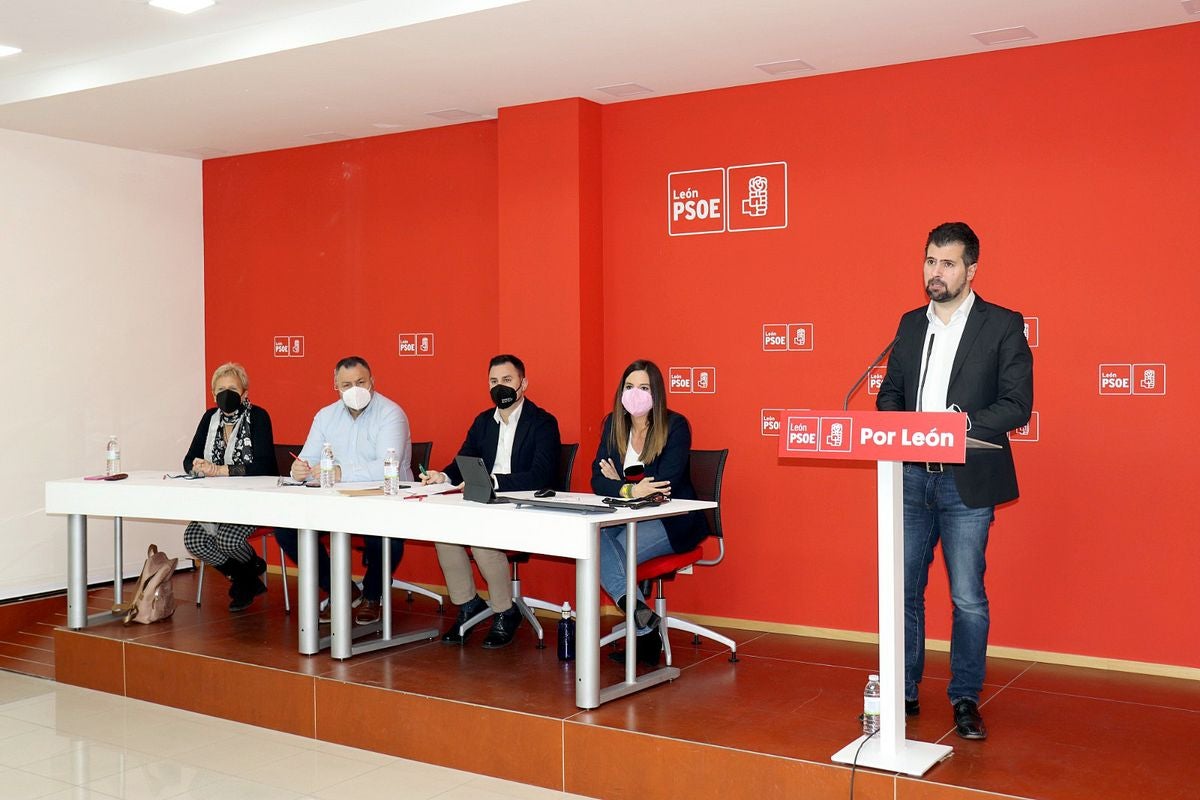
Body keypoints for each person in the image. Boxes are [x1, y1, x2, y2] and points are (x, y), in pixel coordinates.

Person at [876, 222, 1033, 740]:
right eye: (929, 261)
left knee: (967, 595)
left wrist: (956, 425)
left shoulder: (1003, 325)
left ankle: (965, 697)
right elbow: (890, 395)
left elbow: (1016, 405)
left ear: (971, 270)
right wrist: (902, 428)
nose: (935, 272)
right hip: (910, 480)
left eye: (946, 263)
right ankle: (903, 690)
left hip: (966, 481)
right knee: (903, 590)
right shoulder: (909, 325)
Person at [420, 354, 561, 649]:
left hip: (523, 506)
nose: (501, 387)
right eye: (494, 381)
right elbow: (463, 464)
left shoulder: (543, 422)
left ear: (523, 383)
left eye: (507, 380)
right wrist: (441, 478)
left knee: (483, 541)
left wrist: (496, 482)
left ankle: (505, 611)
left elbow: (541, 475)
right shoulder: (483, 422)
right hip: (485, 504)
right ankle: (469, 604)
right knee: (443, 534)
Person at [275, 356, 412, 625]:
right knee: (287, 529)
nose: (355, 389)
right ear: (335, 386)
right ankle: (340, 589)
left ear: (372, 382)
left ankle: (373, 595)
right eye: (346, 384)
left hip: (383, 499)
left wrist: (341, 472)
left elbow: (388, 465)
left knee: (385, 535)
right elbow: (308, 458)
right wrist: (298, 470)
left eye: (361, 382)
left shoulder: (391, 413)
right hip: (335, 503)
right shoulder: (326, 416)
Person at [591, 359, 706, 666]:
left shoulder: (675, 425)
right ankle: (640, 616)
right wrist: (631, 490)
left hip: (671, 520)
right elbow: (597, 479)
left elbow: (665, 482)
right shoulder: (612, 424)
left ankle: (643, 630)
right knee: (591, 541)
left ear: (656, 392)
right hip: (624, 516)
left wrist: (622, 483)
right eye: (629, 387)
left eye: (643, 387)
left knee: (614, 554)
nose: (635, 393)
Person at [182, 362, 279, 612]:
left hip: (256, 499)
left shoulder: (258, 416)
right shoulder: (209, 419)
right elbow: (187, 460)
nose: (226, 394)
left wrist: (222, 470)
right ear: (214, 394)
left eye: (233, 388)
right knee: (193, 540)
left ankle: (243, 580)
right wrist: (199, 467)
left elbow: (265, 465)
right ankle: (248, 574)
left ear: (244, 393)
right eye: (221, 389)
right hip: (217, 502)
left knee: (227, 539)